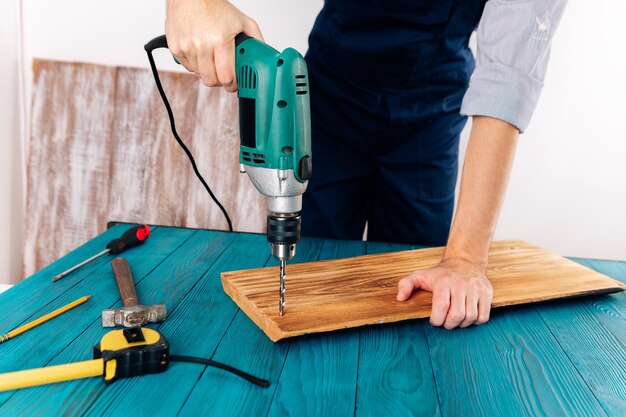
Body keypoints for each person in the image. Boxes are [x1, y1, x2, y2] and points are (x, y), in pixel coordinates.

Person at [165, 0, 567, 329]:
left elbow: (508, 76)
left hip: (430, 113)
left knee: (418, 296)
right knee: (310, 279)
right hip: (330, 96)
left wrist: (465, 261)